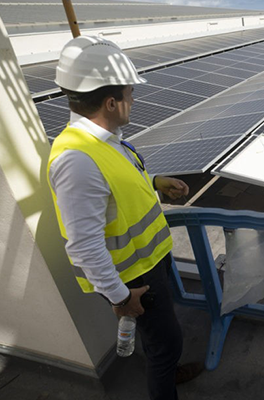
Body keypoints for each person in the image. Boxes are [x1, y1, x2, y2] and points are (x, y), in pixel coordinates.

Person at [47, 35, 200, 400]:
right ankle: (165, 383)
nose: (134, 99)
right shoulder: (77, 161)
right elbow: (83, 245)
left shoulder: (104, 140)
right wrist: (120, 297)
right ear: (111, 102)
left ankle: (168, 371)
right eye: (130, 93)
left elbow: (114, 187)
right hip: (133, 279)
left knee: (160, 338)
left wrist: (155, 182)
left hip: (149, 263)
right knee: (165, 343)